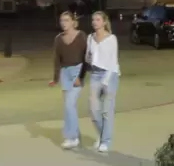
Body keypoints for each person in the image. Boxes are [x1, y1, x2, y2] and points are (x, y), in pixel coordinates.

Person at [49, 11, 87, 149]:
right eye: (61, 21)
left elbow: (87, 57)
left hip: (77, 70)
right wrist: (55, 78)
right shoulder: (58, 39)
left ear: (73, 22)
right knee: (68, 106)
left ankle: (72, 137)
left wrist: (80, 77)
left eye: (66, 20)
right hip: (65, 73)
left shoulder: (81, 36)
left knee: (70, 105)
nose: (63, 23)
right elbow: (57, 60)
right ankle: (74, 133)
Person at [87, 10, 120, 153]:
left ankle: (105, 141)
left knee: (107, 110)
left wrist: (106, 81)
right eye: (93, 20)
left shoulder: (111, 38)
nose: (95, 22)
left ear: (104, 22)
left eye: (98, 20)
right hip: (95, 74)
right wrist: (89, 60)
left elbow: (113, 61)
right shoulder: (90, 38)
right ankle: (102, 135)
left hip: (110, 75)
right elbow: (88, 57)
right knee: (94, 110)